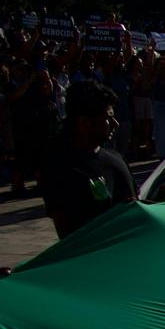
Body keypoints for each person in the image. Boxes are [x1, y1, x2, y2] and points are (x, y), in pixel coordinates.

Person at [41, 81, 135, 238]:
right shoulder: (62, 168)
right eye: (108, 118)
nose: (115, 124)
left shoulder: (117, 159)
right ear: (84, 123)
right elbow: (69, 233)